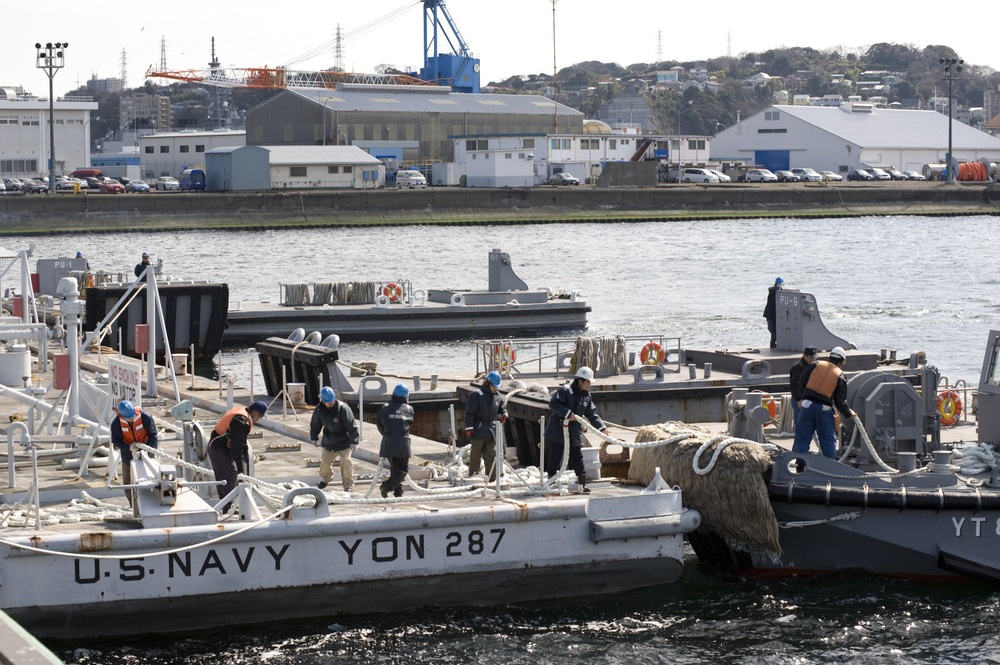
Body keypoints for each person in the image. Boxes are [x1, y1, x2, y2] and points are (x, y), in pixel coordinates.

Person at [542, 366, 609, 493]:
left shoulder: (586, 397)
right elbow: (553, 404)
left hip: (574, 432)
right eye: (588, 382)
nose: (589, 384)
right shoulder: (565, 391)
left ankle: (582, 484)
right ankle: (551, 483)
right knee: (555, 458)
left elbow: (592, 414)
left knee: (577, 457)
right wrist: (568, 414)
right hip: (558, 431)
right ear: (580, 381)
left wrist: (602, 428)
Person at [793, 347, 856, 459]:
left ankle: (800, 468)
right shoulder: (840, 376)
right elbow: (840, 402)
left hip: (807, 405)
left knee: (802, 439)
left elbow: (802, 382)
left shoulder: (815, 364)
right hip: (824, 409)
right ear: (842, 362)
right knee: (827, 441)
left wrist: (807, 396)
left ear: (829, 357)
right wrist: (849, 414)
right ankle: (829, 470)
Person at [207, 400, 268, 512]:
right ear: (255, 413)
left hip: (216, 446)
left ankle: (225, 503)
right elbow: (237, 444)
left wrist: (245, 452)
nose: (259, 419)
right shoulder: (242, 421)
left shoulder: (242, 415)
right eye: (260, 416)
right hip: (219, 448)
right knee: (231, 474)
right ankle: (227, 506)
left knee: (223, 477)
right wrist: (239, 466)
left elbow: (241, 439)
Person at [109, 399, 158, 508]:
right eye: (129, 418)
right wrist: (129, 448)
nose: (132, 419)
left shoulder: (145, 417)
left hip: (146, 450)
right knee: (128, 484)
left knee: (153, 478)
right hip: (128, 454)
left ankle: (153, 505)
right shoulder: (116, 424)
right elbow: (116, 441)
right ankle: (133, 506)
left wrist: (150, 451)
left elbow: (153, 435)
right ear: (121, 416)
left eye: (133, 417)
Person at [310, 386, 359, 491]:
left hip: (344, 440)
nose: (330, 404)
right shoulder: (319, 410)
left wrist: (355, 441)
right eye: (328, 402)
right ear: (322, 401)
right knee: (325, 461)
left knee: (346, 462)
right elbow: (315, 424)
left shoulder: (343, 408)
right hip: (329, 440)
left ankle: (348, 485)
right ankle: (326, 479)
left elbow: (351, 425)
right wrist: (314, 437)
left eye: (331, 402)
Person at [464, 371, 507, 481]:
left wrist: (504, 415)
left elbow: (503, 409)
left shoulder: (498, 397)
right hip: (478, 431)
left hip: (491, 432)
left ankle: (492, 479)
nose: (495, 389)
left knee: (491, 456)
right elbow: (469, 413)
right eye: (494, 386)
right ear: (488, 383)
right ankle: (473, 477)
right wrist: (469, 428)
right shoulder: (476, 395)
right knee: (475, 456)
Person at [376, 384, 414, 498]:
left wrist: (388, 434)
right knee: (402, 470)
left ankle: (398, 491)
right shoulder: (409, 409)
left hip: (388, 442)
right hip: (402, 443)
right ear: (406, 396)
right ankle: (387, 486)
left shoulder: (385, 407)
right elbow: (409, 425)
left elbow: (379, 424)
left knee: (395, 467)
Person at [789, 346, 818, 421]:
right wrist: (799, 399)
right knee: (803, 422)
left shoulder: (809, 366)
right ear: (805, 356)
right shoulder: (799, 367)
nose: (813, 359)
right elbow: (794, 385)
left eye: (814, 357)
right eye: (810, 357)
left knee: (801, 423)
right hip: (799, 399)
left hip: (806, 398)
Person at [763, 277, 784, 349]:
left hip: (775, 313)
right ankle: (774, 342)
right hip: (770, 314)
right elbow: (772, 289)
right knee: (771, 328)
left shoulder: (779, 293)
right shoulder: (773, 291)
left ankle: (774, 344)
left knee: (774, 329)